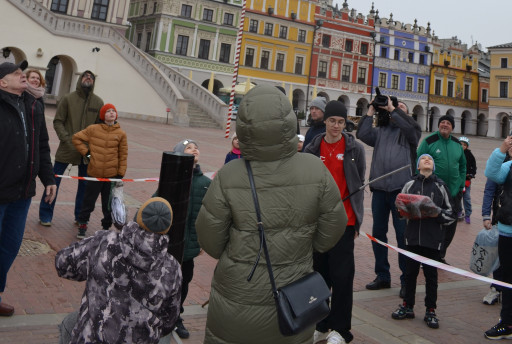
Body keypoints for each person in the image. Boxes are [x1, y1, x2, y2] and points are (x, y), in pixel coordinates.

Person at [196, 85, 345, 344]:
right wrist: (308, 248)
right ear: (289, 122)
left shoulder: (229, 174)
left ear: (244, 126)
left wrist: (238, 255)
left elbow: (210, 238)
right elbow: (335, 222)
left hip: (236, 296)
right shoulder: (314, 168)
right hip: (293, 299)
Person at [55, 197, 182, 344]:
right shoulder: (173, 268)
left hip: (92, 338)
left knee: (71, 323)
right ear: (167, 228)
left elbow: (62, 263)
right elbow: (169, 320)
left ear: (138, 218)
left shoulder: (105, 241)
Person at [305, 99, 365, 344]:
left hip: (345, 221)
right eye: (332, 121)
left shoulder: (355, 148)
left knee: (342, 277)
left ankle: (341, 330)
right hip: (319, 222)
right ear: (325, 121)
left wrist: (357, 220)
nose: (336, 126)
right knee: (319, 275)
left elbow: (358, 182)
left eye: (341, 122)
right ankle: (321, 323)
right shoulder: (312, 148)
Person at [0, 60, 56, 316]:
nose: (23, 76)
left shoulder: (33, 106)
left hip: (22, 193)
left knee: (10, 246)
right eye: (16, 73)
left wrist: (49, 179)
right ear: (3, 82)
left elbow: (42, 145)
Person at [357, 97, 421, 296]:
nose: (395, 110)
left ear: (405, 115)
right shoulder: (381, 132)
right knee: (378, 234)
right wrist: (370, 110)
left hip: (400, 192)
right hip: (379, 191)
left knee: (403, 236)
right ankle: (382, 275)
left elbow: (411, 130)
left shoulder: (410, 131)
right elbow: (362, 133)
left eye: (401, 108)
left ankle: (406, 280)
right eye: (393, 108)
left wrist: (394, 109)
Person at [391, 153, 454, 330]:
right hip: (412, 239)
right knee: (410, 274)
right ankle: (407, 306)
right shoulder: (409, 185)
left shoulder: (441, 186)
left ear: (433, 166)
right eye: (423, 159)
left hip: (432, 240)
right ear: (418, 166)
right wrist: (404, 211)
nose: (427, 160)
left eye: (430, 159)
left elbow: (451, 214)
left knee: (431, 277)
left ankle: (431, 310)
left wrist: (436, 213)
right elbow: (399, 210)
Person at [39, 69, 103, 227]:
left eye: (91, 77)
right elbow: (58, 121)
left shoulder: (98, 102)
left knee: (85, 184)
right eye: (85, 76)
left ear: (93, 81)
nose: (88, 78)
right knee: (54, 180)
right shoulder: (68, 99)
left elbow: (100, 127)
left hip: (87, 153)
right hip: (67, 148)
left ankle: (79, 216)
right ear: (80, 79)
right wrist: (67, 139)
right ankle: (45, 214)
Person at [170, 139, 211, 339]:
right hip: (169, 244)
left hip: (189, 245)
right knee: (167, 281)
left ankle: (176, 316)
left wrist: (203, 239)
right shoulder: (172, 178)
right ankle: (163, 314)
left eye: (196, 147)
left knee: (184, 281)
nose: (194, 149)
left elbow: (209, 214)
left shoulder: (205, 183)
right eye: (189, 147)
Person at [73, 103, 128, 239]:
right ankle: (83, 225)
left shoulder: (121, 133)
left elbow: (123, 154)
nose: (111, 113)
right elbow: (76, 138)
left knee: (108, 205)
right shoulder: (93, 129)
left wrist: (120, 172)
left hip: (111, 176)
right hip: (94, 174)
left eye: (113, 111)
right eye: (108, 111)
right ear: (103, 115)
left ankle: (106, 227)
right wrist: (88, 154)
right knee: (88, 201)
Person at [416, 115, 466, 260]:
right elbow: (418, 162)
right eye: (442, 122)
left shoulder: (457, 144)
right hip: (434, 191)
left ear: (452, 127)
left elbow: (463, 165)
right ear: (438, 125)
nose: (444, 125)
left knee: (451, 225)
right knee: (431, 223)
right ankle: (427, 254)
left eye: (448, 123)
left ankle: (440, 255)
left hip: (454, 192)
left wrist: (461, 183)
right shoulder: (429, 141)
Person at [483, 136, 512, 340]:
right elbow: (491, 173)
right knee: (508, 279)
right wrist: (501, 149)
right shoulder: (508, 166)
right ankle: (507, 322)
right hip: (507, 230)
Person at [459, 136, 476, 223]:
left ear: (467, 146)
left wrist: (471, 174)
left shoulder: (469, 155)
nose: (462, 146)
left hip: (466, 180)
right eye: (460, 144)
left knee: (467, 198)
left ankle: (468, 214)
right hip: (457, 180)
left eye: (464, 145)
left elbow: (473, 166)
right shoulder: (456, 153)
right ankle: (458, 211)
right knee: (457, 196)